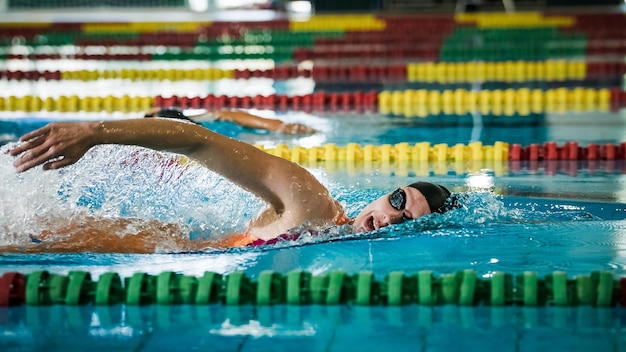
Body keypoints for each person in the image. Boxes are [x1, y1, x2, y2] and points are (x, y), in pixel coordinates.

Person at [9, 118, 453, 251]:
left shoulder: (330, 239)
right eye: (399, 199)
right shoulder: (312, 203)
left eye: (406, 218)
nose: (392, 215)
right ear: (384, 192)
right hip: (141, 246)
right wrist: (95, 133)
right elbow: (202, 142)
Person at [145, 107, 316, 135]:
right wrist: (280, 126)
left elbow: (232, 114)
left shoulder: (207, 119)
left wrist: (279, 126)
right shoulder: (210, 120)